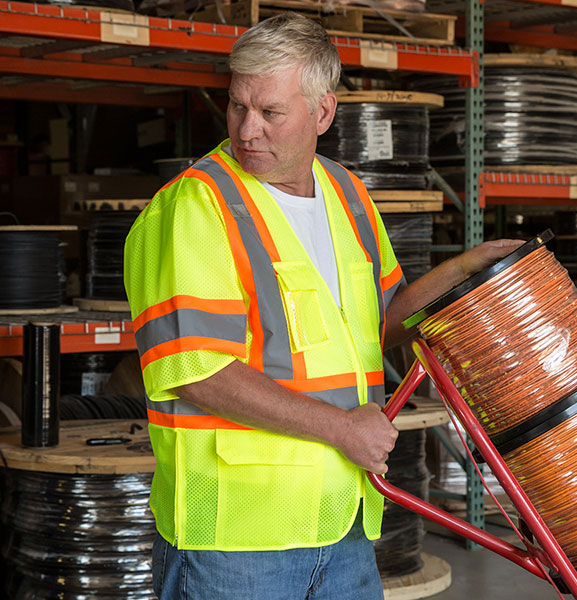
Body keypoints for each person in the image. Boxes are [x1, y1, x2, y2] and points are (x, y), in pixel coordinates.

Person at [124, 12, 522, 600]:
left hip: (342, 523)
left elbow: (382, 318)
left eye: (270, 112)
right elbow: (195, 369)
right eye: (237, 106)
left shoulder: (346, 193)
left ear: (324, 113)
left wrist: (463, 270)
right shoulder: (196, 206)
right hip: (236, 541)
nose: (247, 129)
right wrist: (341, 430)